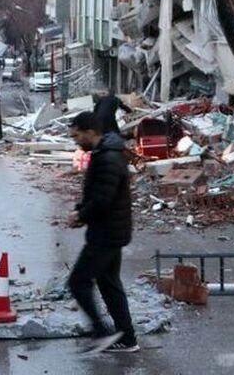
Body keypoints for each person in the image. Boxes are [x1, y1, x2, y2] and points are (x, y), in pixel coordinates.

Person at [66, 111, 138, 354]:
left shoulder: (107, 158)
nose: (75, 141)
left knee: (78, 282)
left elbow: (102, 199)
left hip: (106, 233)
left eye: (77, 136)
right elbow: (96, 194)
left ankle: (102, 331)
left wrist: (81, 215)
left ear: (89, 132)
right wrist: (81, 211)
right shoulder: (104, 154)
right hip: (110, 230)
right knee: (109, 283)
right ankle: (127, 338)